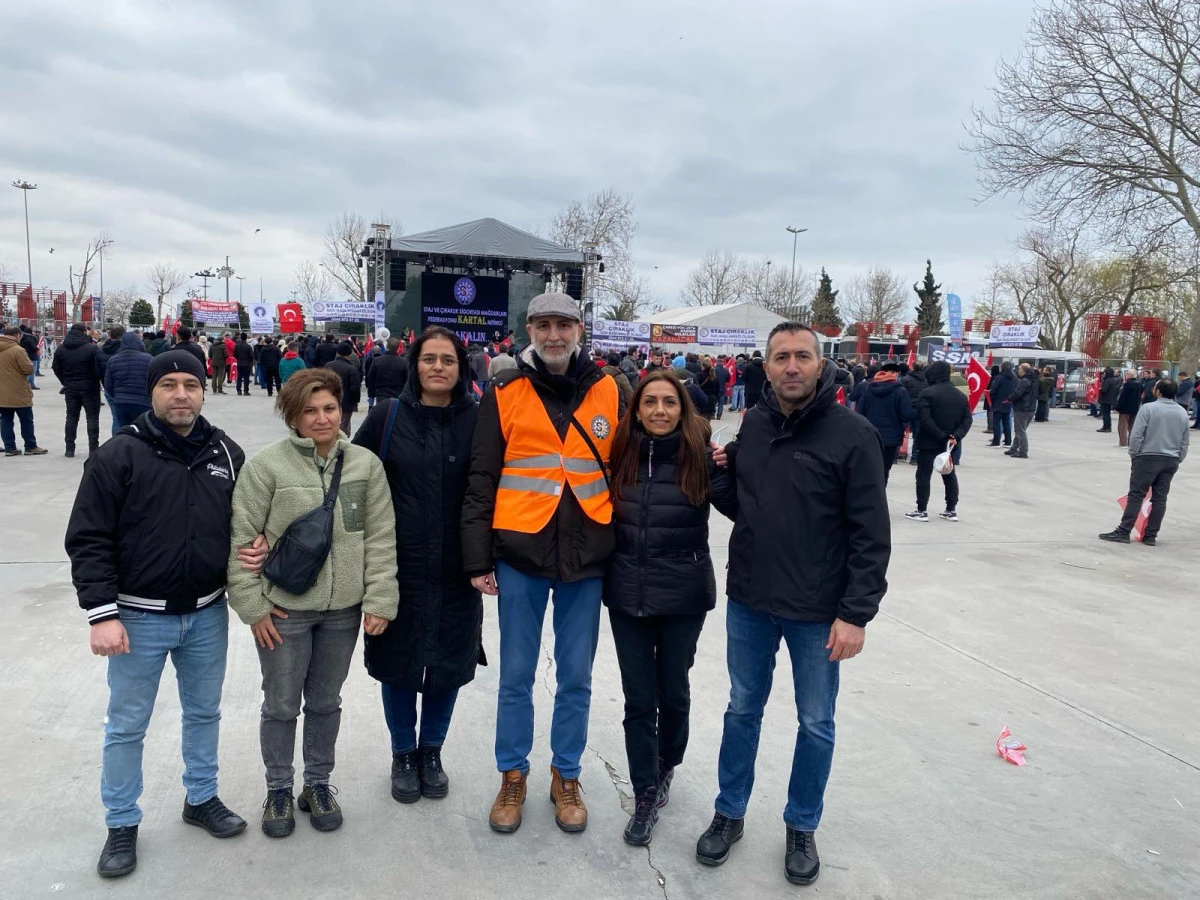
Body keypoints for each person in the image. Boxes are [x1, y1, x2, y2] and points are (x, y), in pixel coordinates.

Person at [696, 323, 890, 887]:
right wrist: (716, 471)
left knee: (815, 721)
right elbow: (746, 506)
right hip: (752, 599)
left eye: (802, 356)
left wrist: (855, 614)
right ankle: (729, 811)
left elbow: (871, 534)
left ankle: (801, 825)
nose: (791, 367)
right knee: (741, 709)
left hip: (818, 610)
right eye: (781, 357)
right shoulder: (755, 424)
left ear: (819, 364)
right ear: (767, 366)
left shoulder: (853, 434)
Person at [65, 350, 253, 878]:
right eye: (168, 385)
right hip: (137, 619)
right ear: (151, 392)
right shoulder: (118, 455)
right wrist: (101, 614)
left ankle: (202, 798)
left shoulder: (226, 452)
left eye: (190, 384)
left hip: (207, 614)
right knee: (127, 725)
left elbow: (244, 522)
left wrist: (256, 546)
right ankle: (121, 823)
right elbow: (88, 537)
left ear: (204, 390)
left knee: (204, 713)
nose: (180, 394)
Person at [461, 292, 625, 835]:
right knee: (516, 677)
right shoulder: (505, 390)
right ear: (529, 330)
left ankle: (566, 775)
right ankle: (513, 775)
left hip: (587, 553)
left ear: (579, 329)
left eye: (564, 325)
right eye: (544, 325)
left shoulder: (608, 388)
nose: (554, 335)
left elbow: (626, 464)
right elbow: (483, 476)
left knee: (576, 677)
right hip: (521, 552)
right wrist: (477, 557)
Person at [226, 368, 398, 838]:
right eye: (310, 411)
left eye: (330, 409)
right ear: (292, 417)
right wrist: (253, 607)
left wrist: (380, 597)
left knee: (325, 702)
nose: (322, 419)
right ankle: (279, 789)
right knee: (281, 705)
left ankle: (318, 784)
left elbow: (380, 537)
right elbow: (242, 540)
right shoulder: (267, 467)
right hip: (285, 613)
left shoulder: (365, 465)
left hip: (343, 612)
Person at [351, 326, 483, 805]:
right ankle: (403, 752)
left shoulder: (479, 418)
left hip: (456, 567)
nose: (438, 368)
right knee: (398, 663)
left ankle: (432, 751)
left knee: (448, 663)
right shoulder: (387, 416)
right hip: (397, 564)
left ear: (461, 367)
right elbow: (352, 480)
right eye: (429, 359)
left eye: (448, 360)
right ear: (415, 364)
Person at [604, 371, 735, 846]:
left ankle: (667, 762)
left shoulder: (700, 457)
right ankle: (644, 788)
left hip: (683, 594)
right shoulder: (619, 455)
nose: (660, 410)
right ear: (636, 410)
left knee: (673, 689)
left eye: (669, 402)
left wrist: (737, 461)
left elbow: (741, 507)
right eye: (650, 402)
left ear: (683, 409)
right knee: (639, 696)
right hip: (627, 594)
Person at [1099, 378, 1189, 546]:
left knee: (1136, 495)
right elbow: (1185, 440)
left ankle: (1124, 531)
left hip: (1147, 457)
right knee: (1160, 498)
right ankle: (1151, 535)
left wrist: (1135, 454)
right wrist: (1179, 458)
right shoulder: (1182, 412)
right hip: (1170, 459)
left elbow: (1137, 435)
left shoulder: (1148, 408)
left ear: (1158, 391)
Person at [904, 361, 971, 522]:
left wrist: (941, 436)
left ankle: (922, 509)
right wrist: (956, 436)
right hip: (950, 444)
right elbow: (967, 419)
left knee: (923, 475)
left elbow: (925, 419)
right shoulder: (960, 396)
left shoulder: (927, 393)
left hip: (929, 441)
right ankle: (951, 509)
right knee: (949, 474)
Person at [854, 361, 914, 484]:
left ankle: (869, 491)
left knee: (870, 467)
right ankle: (880, 491)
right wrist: (901, 425)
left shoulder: (868, 389)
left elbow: (860, 412)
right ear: (895, 374)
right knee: (885, 469)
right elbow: (907, 414)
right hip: (891, 437)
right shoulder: (900, 391)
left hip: (870, 435)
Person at [53, 322, 102, 457]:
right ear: (84, 332)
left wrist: (65, 381)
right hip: (90, 386)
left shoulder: (61, 349)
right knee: (92, 418)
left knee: (71, 417)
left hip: (70, 387)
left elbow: (56, 367)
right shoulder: (91, 348)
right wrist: (96, 379)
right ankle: (93, 448)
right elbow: (98, 367)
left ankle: (69, 449)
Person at [1, 325, 48, 456]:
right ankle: (30, 446)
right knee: (26, 420)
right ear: (17, 335)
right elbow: (28, 369)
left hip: (2, 392)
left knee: (5, 420)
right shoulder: (18, 350)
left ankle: (9, 448)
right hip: (18, 391)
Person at [104, 331, 154, 430]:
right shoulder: (149, 359)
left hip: (121, 402)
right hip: (143, 401)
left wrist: (117, 395)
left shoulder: (113, 360)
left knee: (124, 430)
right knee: (144, 430)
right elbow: (153, 381)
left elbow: (108, 384)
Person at [325, 341, 363, 435]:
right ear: (350, 353)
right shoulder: (351, 369)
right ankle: (339, 441)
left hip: (329, 400)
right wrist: (355, 401)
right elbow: (355, 387)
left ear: (337, 352)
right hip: (346, 401)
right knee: (344, 425)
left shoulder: (328, 365)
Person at [366, 337, 410, 403]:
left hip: (381, 394)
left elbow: (370, 378)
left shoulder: (377, 360)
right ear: (398, 347)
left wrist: (372, 392)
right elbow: (408, 379)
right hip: (398, 394)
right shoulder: (404, 362)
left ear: (387, 346)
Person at [1008, 363, 1037, 459]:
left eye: (1020, 368)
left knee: (1020, 431)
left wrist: (1009, 398)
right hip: (1031, 408)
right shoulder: (1034, 380)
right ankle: (1014, 448)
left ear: (1023, 370)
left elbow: (1018, 393)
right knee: (1021, 430)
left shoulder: (1024, 381)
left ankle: (1023, 451)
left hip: (1022, 408)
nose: (1018, 370)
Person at [987, 362, 1016, 447]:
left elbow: (993, 390)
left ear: (1002, 368)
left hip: (998, 402)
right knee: (1006, 422)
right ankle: (1008, 441)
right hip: (1008, 402)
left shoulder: (999, 377)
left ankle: (996, 441)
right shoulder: (1014, 378)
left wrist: (992, 400)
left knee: (996, 422)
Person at [1115, 370, 1143, 448]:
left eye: (1127, 373)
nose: (1126, 375)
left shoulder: (1127, 384)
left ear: (1130, 375)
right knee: (1132, 426)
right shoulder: (1139, 384)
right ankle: (1131, 442)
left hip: (1125, 408)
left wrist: (1117, 407)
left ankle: (1123, 443)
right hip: (1135, 408)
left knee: (1122, 426)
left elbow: (1122, 397)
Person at [1097, 367, 1121, 433]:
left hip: (1106, 399)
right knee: (1107, 413)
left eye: (1105, 373)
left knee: (1106, 414)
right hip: (1110, 398)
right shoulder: (1113, 380)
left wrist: (1100, 389)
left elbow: (1104, 390)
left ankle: (1106, 427)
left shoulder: (1107, 380)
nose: (1103, 374)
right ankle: (1107, 426)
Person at [712, 355, 729, 419]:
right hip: (722, 389)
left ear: (716, 362)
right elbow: (728, 380)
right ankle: (719, 415)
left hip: (714, 389)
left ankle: (713, 414)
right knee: (721, 403)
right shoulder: (726, 370)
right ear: (722, 363)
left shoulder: (713, 370)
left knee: (713, 403)